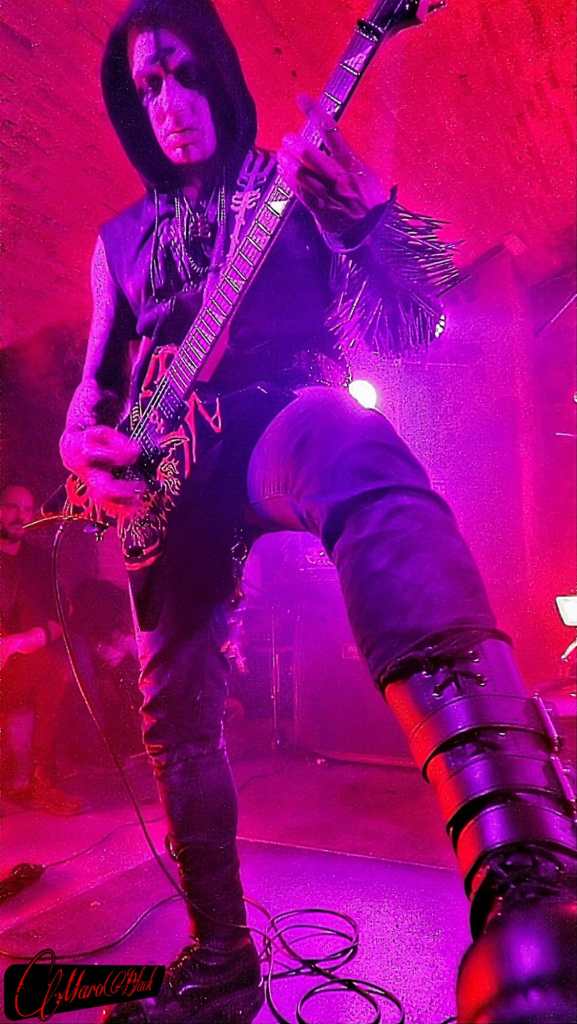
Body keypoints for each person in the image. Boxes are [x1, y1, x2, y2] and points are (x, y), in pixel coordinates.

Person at [58, 2, 576, 1021]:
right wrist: (86, 448)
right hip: (167, 477)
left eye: (183, 72)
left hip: (275, 412)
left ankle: (524, 865)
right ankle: (221, 965)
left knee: (354, 444)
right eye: (147, 86)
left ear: (219, 72)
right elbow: (91, 392)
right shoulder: (114, 244)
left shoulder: (284, 184)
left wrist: (366, 224)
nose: (169, 102)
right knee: (175, 718)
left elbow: (417, 321)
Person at [0, 484, 83, 816]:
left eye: (26, 509)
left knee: (55, 668)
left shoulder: (37, 561)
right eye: (11, 506)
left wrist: (25, 639)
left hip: (19, 661)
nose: (20, 515)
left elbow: (62, 614)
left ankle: (39, 779)